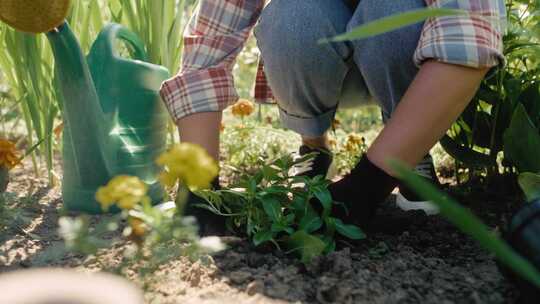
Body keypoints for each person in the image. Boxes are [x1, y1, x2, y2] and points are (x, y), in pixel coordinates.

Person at [160, 0, 506, 235]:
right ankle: (314, 146)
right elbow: (208, 46)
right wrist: (199, 186)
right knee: (293, 15)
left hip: (410, 55)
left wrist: (367, 186)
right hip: (322, 52)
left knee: (392, 8)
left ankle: (409, 156)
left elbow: (469, 36)